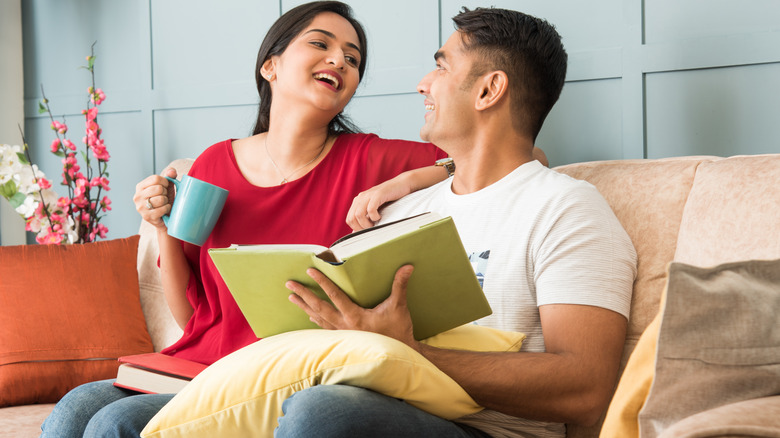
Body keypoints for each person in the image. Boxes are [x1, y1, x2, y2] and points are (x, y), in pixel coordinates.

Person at [40, 2, 453, 437]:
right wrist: (162, 229)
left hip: (282, 380)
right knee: (75, 408)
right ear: (270, 66)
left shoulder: (371, 158)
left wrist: (403, 182)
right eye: (320, 44)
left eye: (352, 59)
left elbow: (507, 159)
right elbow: (191, 317)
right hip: (198, 368)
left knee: (115, 423)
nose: (339, 61)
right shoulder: (213, 165)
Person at [283, 7, 637, 438]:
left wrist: (406, 351)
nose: (422, 84)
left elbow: (585, 390)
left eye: (440, 67)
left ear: (489, 90)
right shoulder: (402, 211)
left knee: (322, 414)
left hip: (483, 431)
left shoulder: (565, 210)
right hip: (371, 404)